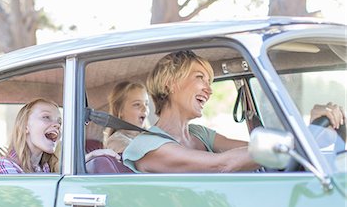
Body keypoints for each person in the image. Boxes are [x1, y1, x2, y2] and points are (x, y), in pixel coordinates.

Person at [123, 50, 345, 173]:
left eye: (210, 81)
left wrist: (314, 132)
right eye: (200, 78)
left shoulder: (199, 133)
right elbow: (223, 164)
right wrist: (301, 138)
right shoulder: (146, 147)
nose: (209, 90)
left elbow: (255, 149)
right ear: (170, 83)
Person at [0, 98, 120, 174]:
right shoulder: (2, 166)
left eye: (59, 122)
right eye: (46, 117)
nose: (57, 125)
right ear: (25, 126)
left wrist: (92, 156)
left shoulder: (44, 168)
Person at [104, 81, 150, 154]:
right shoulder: (116, 141)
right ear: (119, 110)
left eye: (146, 104)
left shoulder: (148, 137)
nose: (145, 109)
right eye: (137, 104)